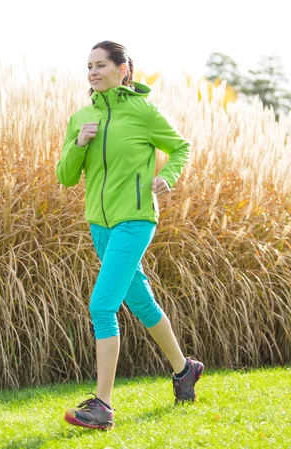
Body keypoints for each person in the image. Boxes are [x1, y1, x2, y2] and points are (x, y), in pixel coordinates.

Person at [56, 41, 204, 430]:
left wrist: (167, 177)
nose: (92, 71)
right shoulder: (81, 118)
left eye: (101, 64)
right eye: (88, 65)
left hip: (136, 220)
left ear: (123, 69)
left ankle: (102, 406)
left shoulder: (143, 111)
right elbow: (66, 176)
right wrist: (78, 144)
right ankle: (184, 369)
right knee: (141, 302)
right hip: (99, 225)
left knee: (102, 306)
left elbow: (180, 147)